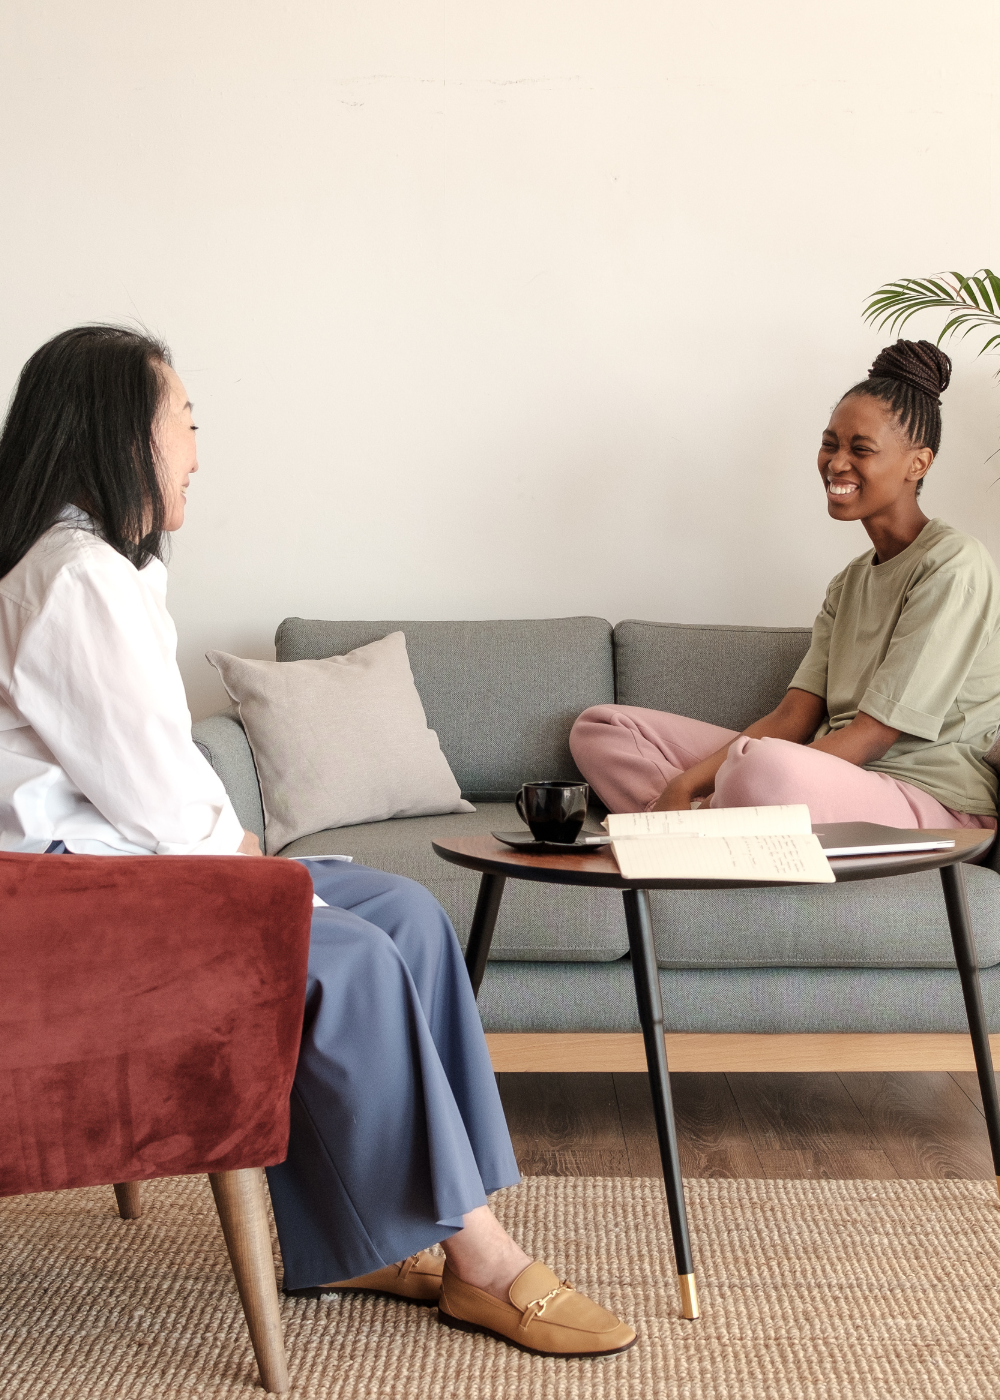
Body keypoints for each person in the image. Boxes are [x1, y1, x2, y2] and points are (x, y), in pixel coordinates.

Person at [0, 325, 636, 1359]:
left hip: (117, 874)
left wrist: (239, 849)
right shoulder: (71, 579)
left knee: (409, 913)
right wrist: (244, 857)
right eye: (186, 422)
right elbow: (155, 794)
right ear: (123, 434)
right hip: (80, 909)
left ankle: (385, 1226)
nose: (197, 450)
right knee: (345, 952)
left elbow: (142, 771)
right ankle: (481, 1257)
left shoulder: (95, 569)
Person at [571, 340, 1000, 833]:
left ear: (918, 464)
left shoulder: (954, 564)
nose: (837, 463)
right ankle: (702, 825)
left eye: (861, 449)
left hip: (930, 802)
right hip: (829, 779)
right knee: (602, 728)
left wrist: (736, 774)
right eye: (830, 444)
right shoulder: (850, 581)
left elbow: (871, 738)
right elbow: (792, 718)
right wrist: (683, 784)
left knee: (764, 769)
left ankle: (690, 827)